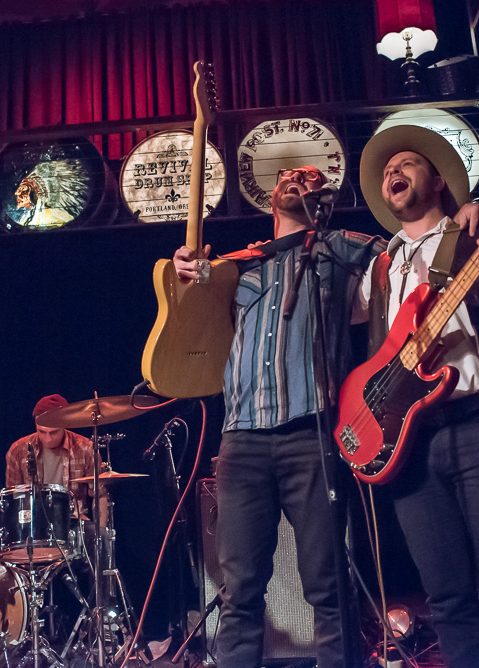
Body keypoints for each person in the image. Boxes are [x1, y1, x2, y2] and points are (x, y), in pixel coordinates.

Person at [356, 125, 479, 667]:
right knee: (446, 601)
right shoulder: (378, 267)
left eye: (406, 163)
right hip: (411, 444)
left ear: (441, 180)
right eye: (385, 170)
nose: (391, 172)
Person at [173, 166, 384, 667]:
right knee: (239, 590)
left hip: (311, 432)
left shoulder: (342, 248)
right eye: (289, 176)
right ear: (271, 200)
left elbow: (403, 260)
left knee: (328, 585)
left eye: (311, 177)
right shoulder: (235, 266)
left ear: (325, 195)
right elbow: (189, 325)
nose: (298, 179)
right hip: (242, 439)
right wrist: (184, 274)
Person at [5, 394, 109, 526]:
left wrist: (101, 533)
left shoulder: (85, 448)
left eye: (53, 432)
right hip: (33, 524)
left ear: (64, 425)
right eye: (42, 432)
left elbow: (100, 494)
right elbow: (12, 498)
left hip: (73, 523)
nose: (47, 439)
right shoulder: (18, 450)